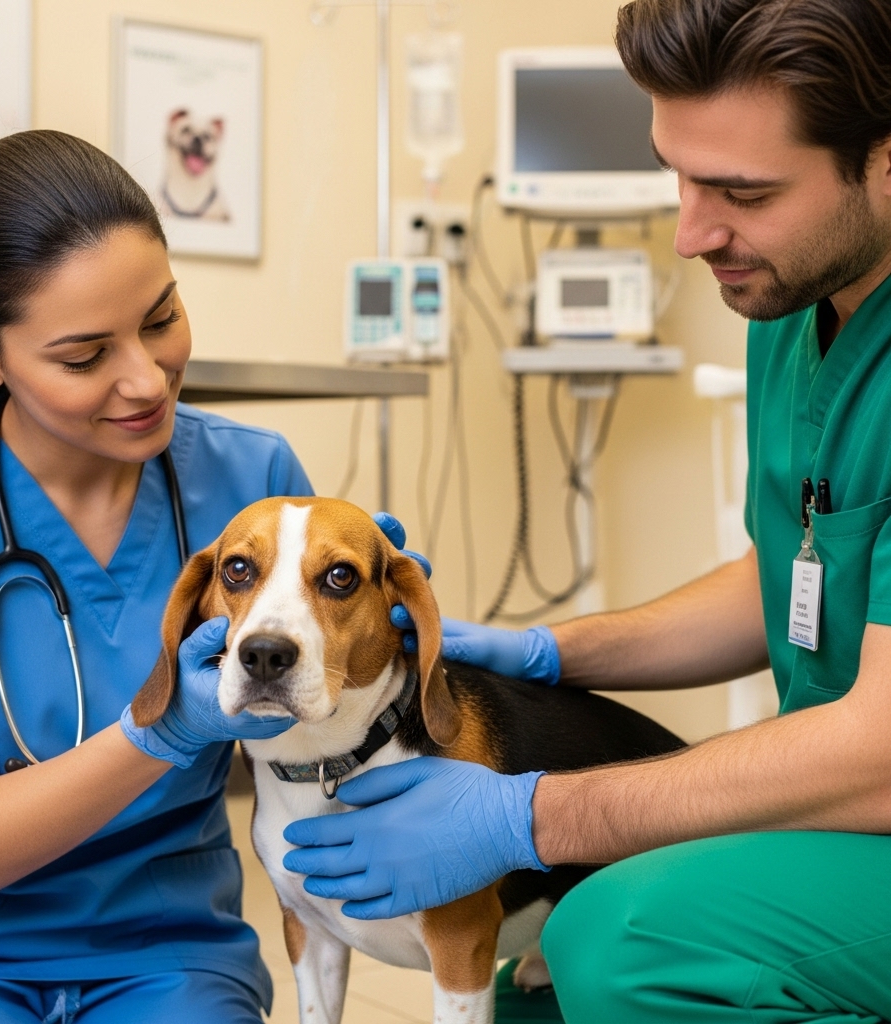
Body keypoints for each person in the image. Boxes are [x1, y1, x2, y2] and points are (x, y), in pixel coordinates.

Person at [282, 1, 891, 1021]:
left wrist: (534, 814)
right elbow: (789, 574)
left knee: (621, 939)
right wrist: (547, 651)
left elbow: (877, 746)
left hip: (865, 792)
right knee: (531, 983)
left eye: (741, 191)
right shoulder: (795, 297)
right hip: (837, 813)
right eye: (679, 174)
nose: (693, 234)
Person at [0, 130, 403, 1024]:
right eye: (85, 357)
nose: (148, 379)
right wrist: (160, 730)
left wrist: (383, 659)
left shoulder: (254, 481)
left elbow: (320, 730)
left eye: (161, 318)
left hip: (170, 950)